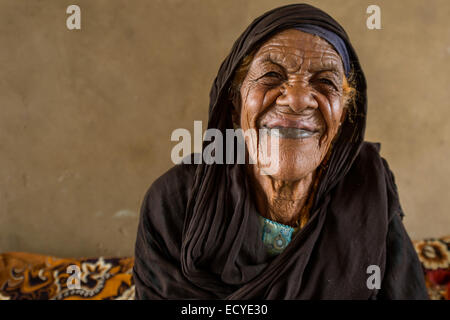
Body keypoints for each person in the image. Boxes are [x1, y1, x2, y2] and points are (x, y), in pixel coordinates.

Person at [133, 3, 428, 299]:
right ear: (235, 103)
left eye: (325, 82)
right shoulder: (175, 204)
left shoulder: (367, 186)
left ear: (343, 117)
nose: (298, 100)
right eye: (271, 76)